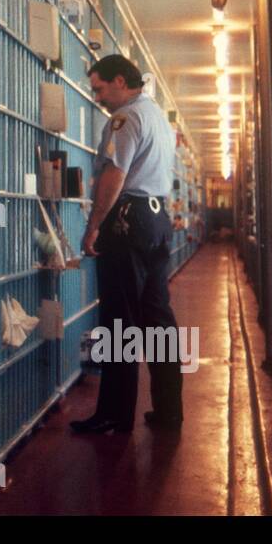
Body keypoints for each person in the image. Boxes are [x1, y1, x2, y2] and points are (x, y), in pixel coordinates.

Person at [69, 54, 184, 434]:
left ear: (121, 81)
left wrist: (93, 226)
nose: (97, 96)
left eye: (100, 88)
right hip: (157, 221)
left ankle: (115, 416)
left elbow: (115, 176)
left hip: (127, 220)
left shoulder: (125, 119)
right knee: (158, 320)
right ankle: (169, 410)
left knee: (118, 321)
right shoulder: (156, 116)